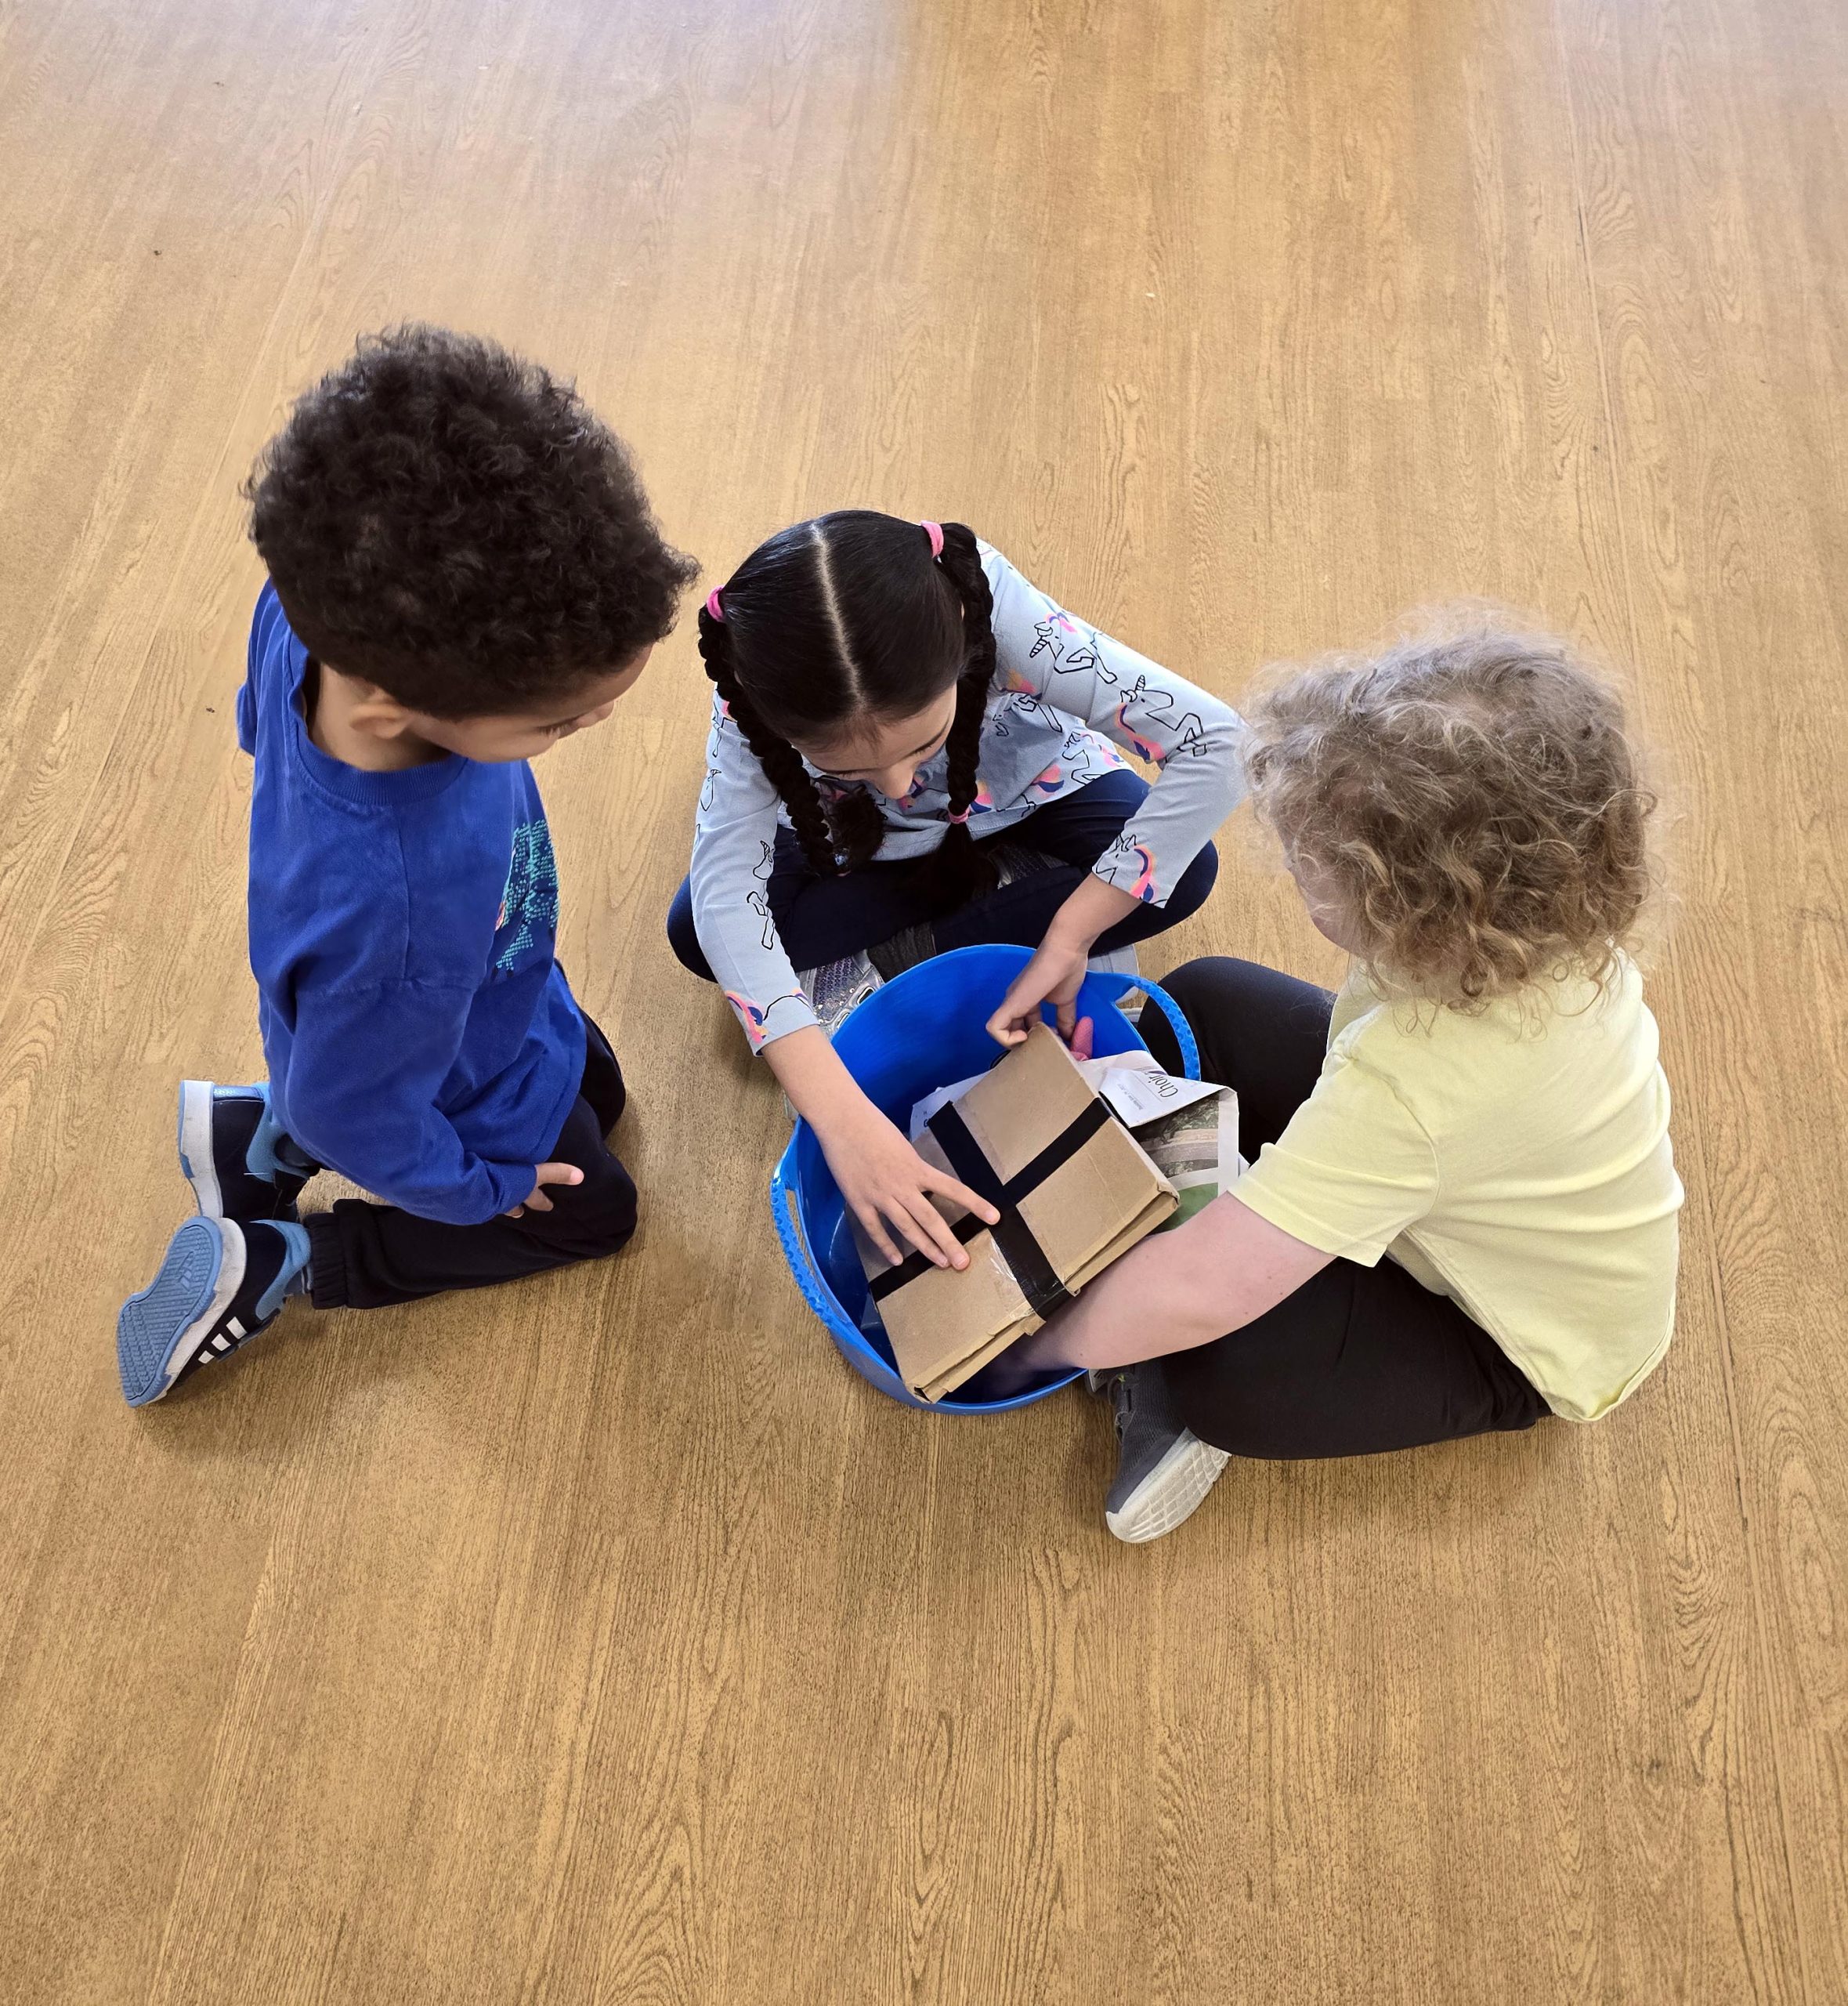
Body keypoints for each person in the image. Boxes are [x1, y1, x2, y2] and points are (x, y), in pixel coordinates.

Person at [996, 619, 1683, 1542]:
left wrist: (1027, 1348)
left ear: (1411, 913)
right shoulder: (1546, 922)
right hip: (1459, 1187)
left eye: (1309, 869)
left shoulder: (1415, 1087)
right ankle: (1211, 1234)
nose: (1291, 871)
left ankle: (1158, 1361)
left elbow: (1203, 1290)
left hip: (1511, 1339)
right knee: (1204, 999)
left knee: (1226, 1373)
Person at [115, 325, 699, 1407]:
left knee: (602, 1090)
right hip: (451, 1070)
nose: (595, 723)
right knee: (597, 1212)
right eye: (559, 722)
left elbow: (255, 723)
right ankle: (290, 1259)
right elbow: (358, 1111)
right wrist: (477, 1190)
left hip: (477, 995)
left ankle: (259, 1134)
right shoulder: (400, 912)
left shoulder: (314, 617)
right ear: (391, 710)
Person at [667, 509, 1246, 1276]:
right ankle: (948, 905)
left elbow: (1216, 744)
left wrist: (1073, 932)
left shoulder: (988, 608)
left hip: (1024, 787)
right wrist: (840, 1120)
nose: (898, 785)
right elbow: (721, 900)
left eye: (921, 744)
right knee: (694, 934)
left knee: (1186, 871)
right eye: (849, 764)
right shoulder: (754, 686)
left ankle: (922, 933)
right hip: (841, 830)